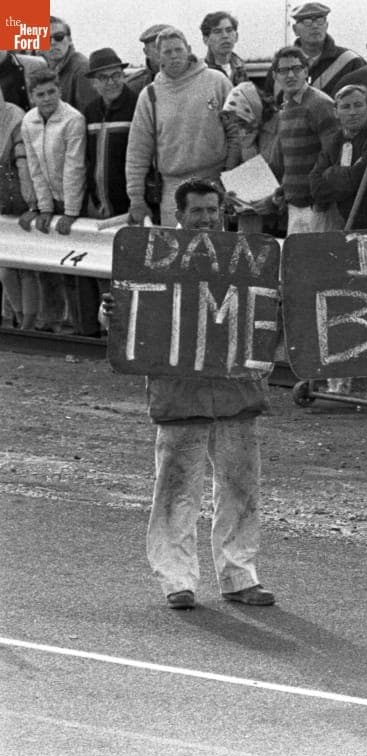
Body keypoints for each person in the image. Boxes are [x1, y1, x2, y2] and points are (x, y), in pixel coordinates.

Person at [102, 178, 276, 611]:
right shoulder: (153, 260)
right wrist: (114, 315)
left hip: (236, 391)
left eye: (212, 210)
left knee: (239, 485)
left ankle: (239, 575)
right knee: (177, 486)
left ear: (223, 213)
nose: (205, 218)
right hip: (180, 392)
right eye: (196, 211)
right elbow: (135, 321)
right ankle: (176, 580)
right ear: (177, 215)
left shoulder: (246, 261)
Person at [125, 27, 232, 226]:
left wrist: (230, 177)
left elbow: (237, 133)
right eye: (167, 52)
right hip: (173, 188)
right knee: (176, 250)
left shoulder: (217, 81)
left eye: (178, 50)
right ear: (158, 56)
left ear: (189, 49)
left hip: (213, 183)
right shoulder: (150, 95)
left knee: (216, 249)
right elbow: (138, 152)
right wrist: (136, 198)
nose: (174, 56)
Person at [18, 69, 85, 336]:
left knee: (74, 265)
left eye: (51, 92)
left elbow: (75, 167)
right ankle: (52, 321)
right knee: (47, 266)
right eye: (40, 94)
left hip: (73, 200)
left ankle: (80, 324)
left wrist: (70, 211)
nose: (47, 99)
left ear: (60, 91)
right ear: (32, 96)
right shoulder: (28, 121)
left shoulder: (73, 119)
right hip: (50, 198)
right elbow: (34, 166)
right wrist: (44, 207)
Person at [310, 83, 367, 229]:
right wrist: (351, 175)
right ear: (336, 112)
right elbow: (316, 186)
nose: (352, 112)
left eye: (358, 105)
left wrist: (330, 173)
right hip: (347, 228)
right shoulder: (334, 141)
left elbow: (365, 178)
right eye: (346, 107)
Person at [269, 46, 339, 234]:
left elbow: (334, 156)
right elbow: (290, 161)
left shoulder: (319, 104)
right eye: (283, 70)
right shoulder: (286, 107)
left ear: (306, 71)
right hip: (295, 207)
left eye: (296, 68)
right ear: (275, 75)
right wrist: (284, 189)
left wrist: (321, 200)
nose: (290, 75)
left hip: (317, 208)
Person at [83, 48, 136, 219]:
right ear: (93, 83)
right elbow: (87, 159)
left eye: (116, 75)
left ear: (123, 75)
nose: (111, 82)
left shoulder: (137, 106)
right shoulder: (90, 111)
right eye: (103, 77)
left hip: (132, 207)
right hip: (99, 207)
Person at [0, 99, 36, 329]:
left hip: (22, 203)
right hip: (4, 204)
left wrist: (33, 204)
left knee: (26, 268)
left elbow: (25, 165)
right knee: (7, 270)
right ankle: (22, 321)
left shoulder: (14, 117)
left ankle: (28, 325)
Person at [282, 2, 365, 96]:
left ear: (326, 26)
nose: (315, 26)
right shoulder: (282, 64)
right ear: (295, 29)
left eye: (319, 20)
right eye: (307, 21)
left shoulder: (350, 62)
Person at [43, 17, 100, 112]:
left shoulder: (82, 68)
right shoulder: (41, 69)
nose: (52, 43)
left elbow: (89, 113)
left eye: (59, 37)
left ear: (69, 40)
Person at [201, 11, 248, 87]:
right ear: (206, 39)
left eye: (229, 30)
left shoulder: (240, 68)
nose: (225, 36)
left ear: (236, 36)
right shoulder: (202, 73)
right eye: (217, 32)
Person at [127, 24, 168, 96]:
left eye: (166, 45)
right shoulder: (133, 87)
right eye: (156, 46)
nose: (162, 50)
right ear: (146, 52)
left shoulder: (191, 79)